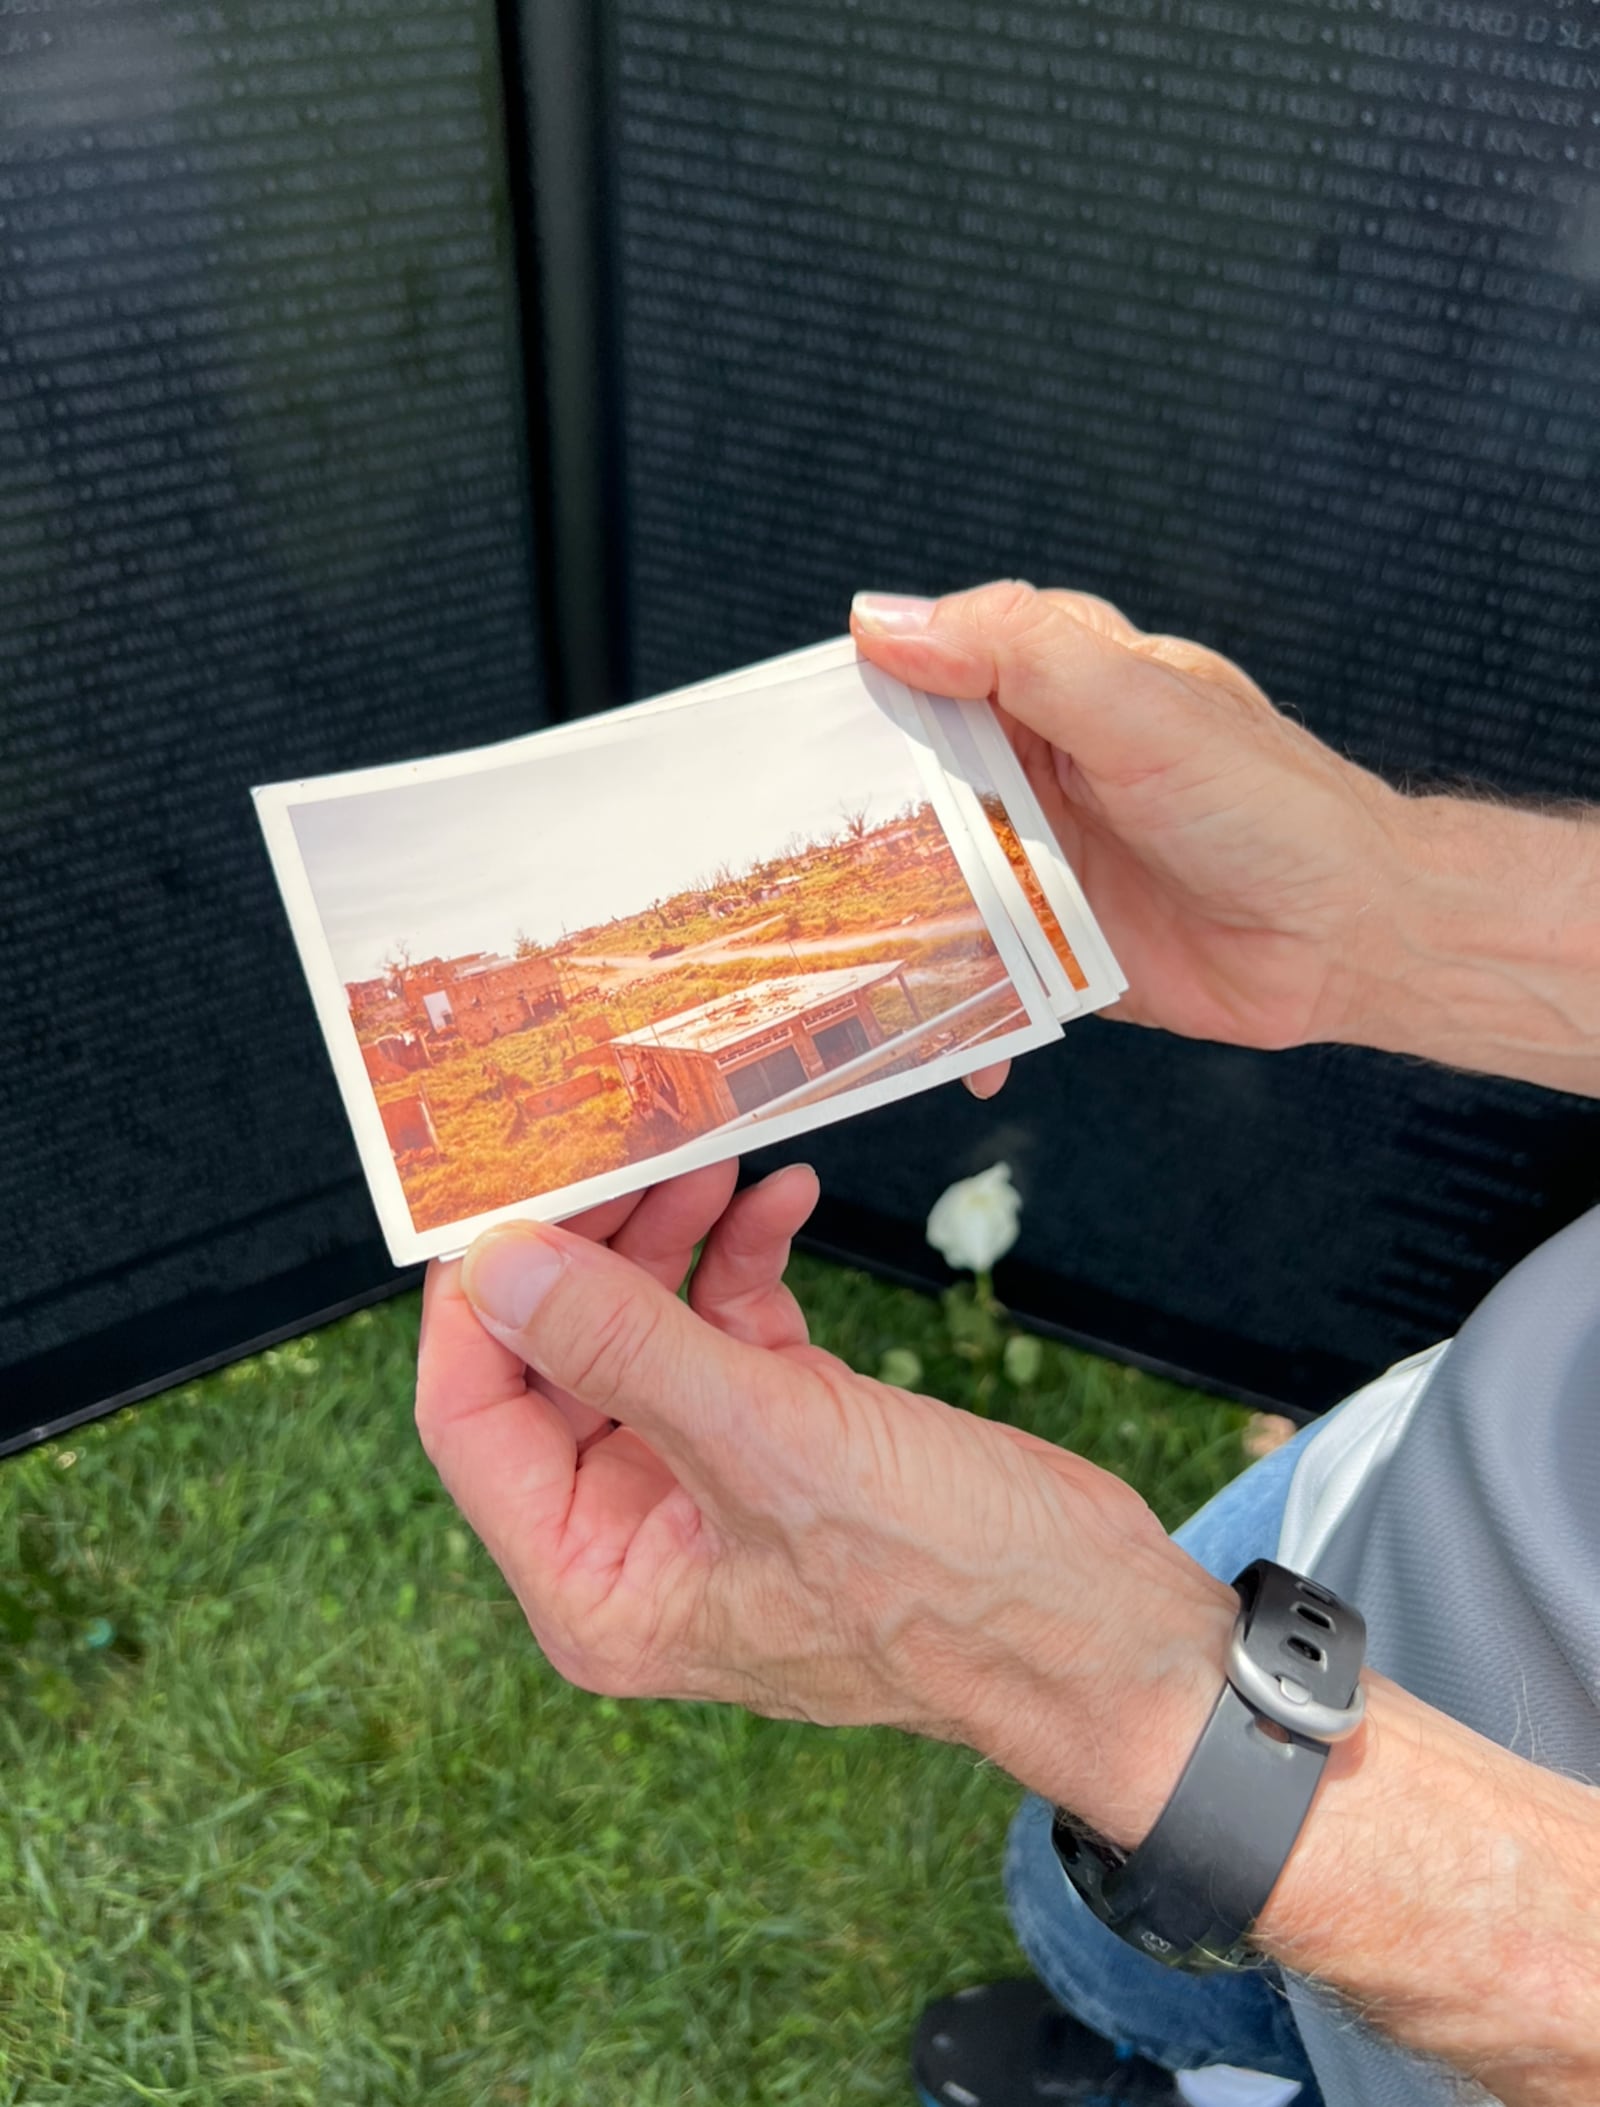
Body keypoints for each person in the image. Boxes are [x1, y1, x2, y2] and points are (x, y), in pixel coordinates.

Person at [413, 582, 1600, 2107]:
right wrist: (1393, 909)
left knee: (1265, 2014)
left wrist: (1102, 1686)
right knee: (1091, 1924)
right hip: (1428, 1469)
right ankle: (1156, 2048)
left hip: (1430, 1912)